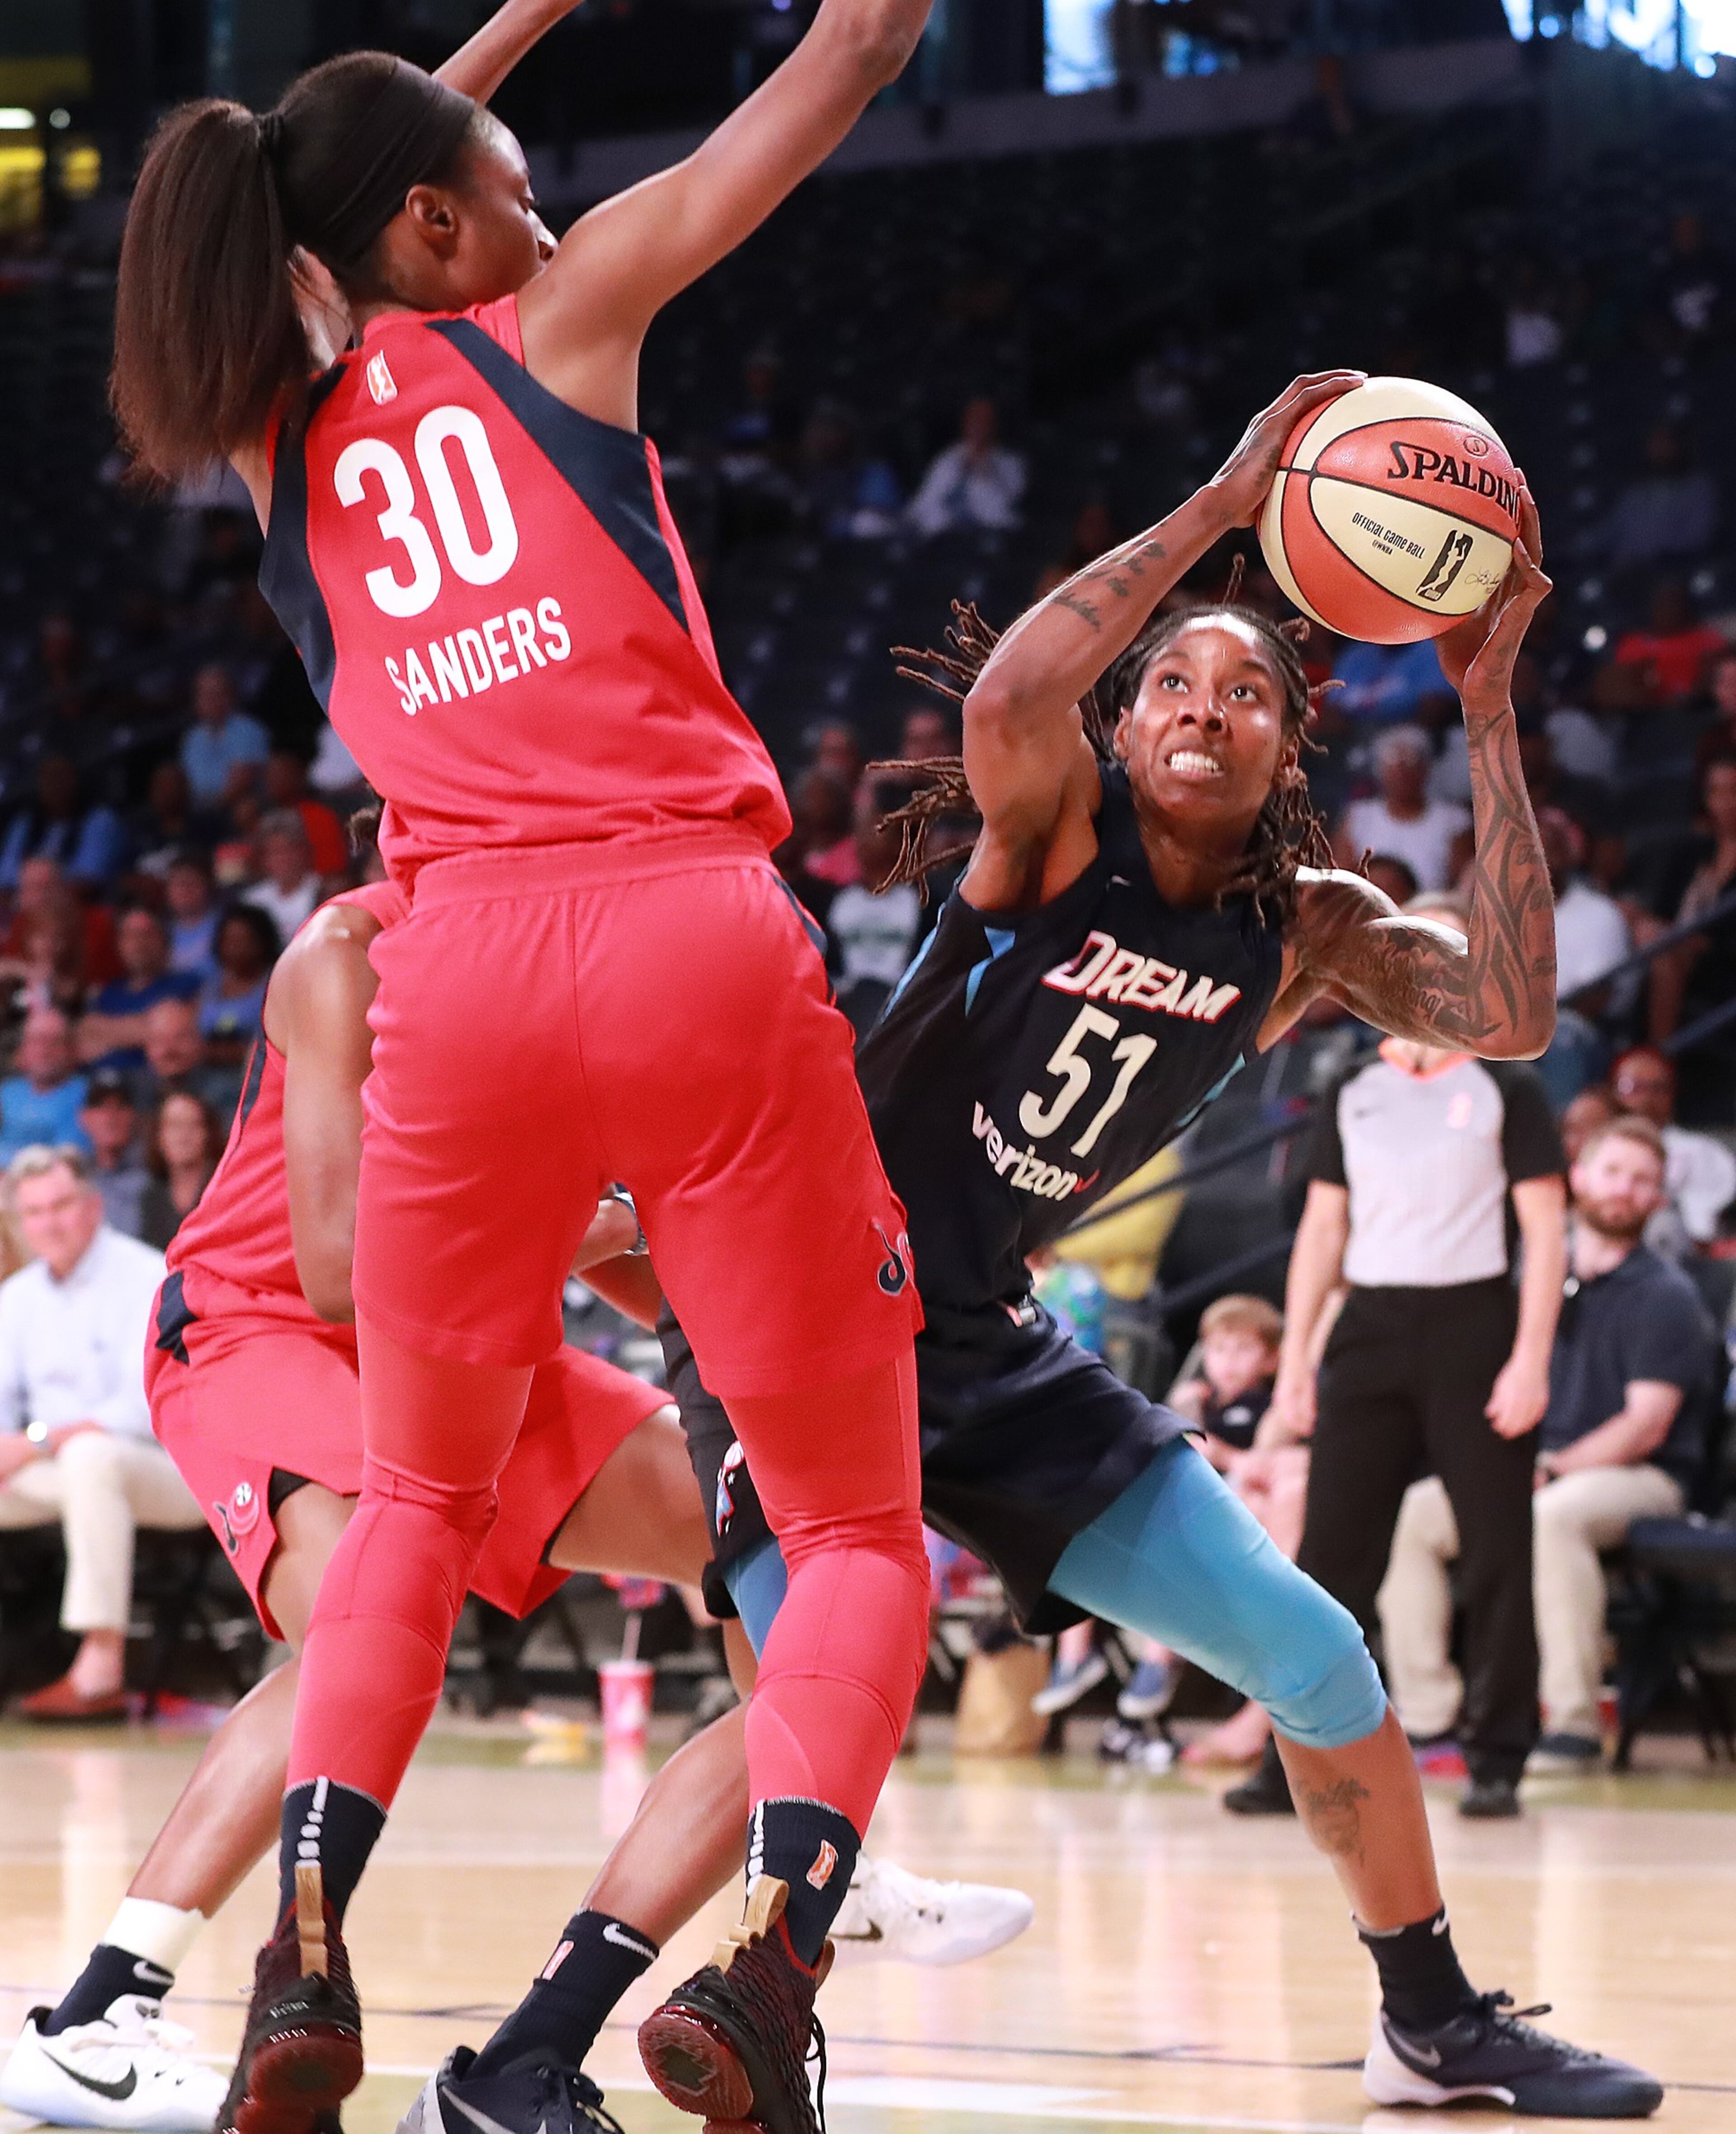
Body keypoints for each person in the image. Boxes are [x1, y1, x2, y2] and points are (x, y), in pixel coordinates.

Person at [453, 380, 1658, 2123]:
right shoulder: (1060, 829)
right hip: (799, 1297)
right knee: (814, 1705)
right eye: (1174, 677)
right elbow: (1015, 691)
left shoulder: (1306, 929)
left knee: (1318, 1657)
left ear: (1287, 746)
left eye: (1248, 689)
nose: (1202, 705)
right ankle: (527, 2058)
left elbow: (1515, 1008)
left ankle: (1432, 2019)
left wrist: (1486, 708)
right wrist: (1228, 500)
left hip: (989, 1341)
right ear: (1132, 716)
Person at [112, 1, 947, 2128]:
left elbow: (315, 204)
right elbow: (849, 55)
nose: (548, 206)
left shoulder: (272, 436)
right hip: (686, 931)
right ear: (435, 221)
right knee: (852, 1531)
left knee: (414, 1494)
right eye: (510, 180)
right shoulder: (564, 319)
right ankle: (770, 1969)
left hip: (456, 974)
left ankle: (308, 1941)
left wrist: (485, 59)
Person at [0, 865, 1029, 2134]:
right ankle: (104, 2003)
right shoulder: (341, 952)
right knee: (363, 1614)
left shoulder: (600, 952)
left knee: (757, 1536)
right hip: (271, 1322)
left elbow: (662, 1256)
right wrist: (596, 1221)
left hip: (480, 1315)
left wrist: (789, 1340)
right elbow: (334, 1265)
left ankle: (803, 1859)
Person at [1241, 890, 1567, 1820]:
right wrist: (1297, 1357)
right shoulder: (1353, 1085)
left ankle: (1499, 1751)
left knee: (1499, 1549)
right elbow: (1322, 1231)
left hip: (1476, 1325)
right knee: (1329, 1555)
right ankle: (1294, 1762)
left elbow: (1546, 1233)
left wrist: (1532, 1357)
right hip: (1371, 1326)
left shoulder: (1510, 1082)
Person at [1379, 1116, 1717, 1773]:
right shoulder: (1526, 1279)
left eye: (1643, 1180)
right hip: (1532, 1467)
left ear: (1658, 1199)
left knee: (1553, 1517)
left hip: (1641, 1476)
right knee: (1418, 1509)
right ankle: (1431, 1719)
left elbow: (1645, 1425)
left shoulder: (1667, 1295)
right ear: (1580, 1177)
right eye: (1614, 1171)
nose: (1625, 1189)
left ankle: (1573, 1723)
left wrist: (1553, 1467)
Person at [0, 1147, 203, 1720]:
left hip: (165, 1471)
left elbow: (145, 1411)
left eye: (62, 1204)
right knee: (82, 1462)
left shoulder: (146, 1275)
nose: (50, 1222)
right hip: (64, 1477)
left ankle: (100, 1666)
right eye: (35, 1211)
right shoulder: (17, 1298)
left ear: (93, 1205)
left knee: (93, 1455)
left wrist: (37, 1441)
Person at [1610, 1045, 1736, 1251]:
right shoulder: (1594, 1147)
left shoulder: (1699, 1152)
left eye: (1658, 1088)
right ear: (1612, 1090)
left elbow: (1707, 1236)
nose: (1647, 1098)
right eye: (1634, 1086)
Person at [1335, 725, 1468, 892]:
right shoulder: (1359, 817)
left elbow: (1465, 885)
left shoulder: (1453, 820)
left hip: (1430, 910)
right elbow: (1341, 877)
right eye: (1393, 762)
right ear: (1380, 770)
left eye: (1411, 761)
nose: (1402, 771)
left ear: (1426, 768)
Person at [78, 908, 204, 1073]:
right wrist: (143, 1027)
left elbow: (177, 1034)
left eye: (147, 934)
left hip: (155, 1080)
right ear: (119, 944)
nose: (139, 943)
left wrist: (107, 1034)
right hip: (105, 1083)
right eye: (131, 935)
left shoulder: (186, 984)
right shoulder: (108, 992)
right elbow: (84, 1033)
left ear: (165, 941)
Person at [0, 755, 130, 892]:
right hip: (25, 902)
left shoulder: (101, 819)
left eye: (60, 778)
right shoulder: (24, 824)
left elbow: (89, 877)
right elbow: (6, 876)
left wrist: (44, 892)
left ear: (75, 780)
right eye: (48, 779)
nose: (55, 785)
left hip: (80, 904)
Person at [906, 396, 1026, 536]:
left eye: (983, 420)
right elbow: (925, 500)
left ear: (994, 425)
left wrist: (982, 470)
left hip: (990, 534)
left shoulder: (1011, 462)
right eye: (973, 420)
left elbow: (1003, 509)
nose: (977, 426)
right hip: (945, 536)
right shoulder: (949, 458)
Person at [0, 1009, 91, 1162]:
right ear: (23, 1049)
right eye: (37, 1041)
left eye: (55, 1041)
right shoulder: (7, 1092)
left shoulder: (86, 1095)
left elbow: (68, 1158)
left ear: (70, 1049)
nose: (45, 1051)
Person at [199, 904, 282, 1066]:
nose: (235, 948)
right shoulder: (210, 986)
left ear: (263, 942)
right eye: (229, 940)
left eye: (243, 940)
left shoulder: (277, 986)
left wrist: (216, 1052)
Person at [139, 1091, 223, 1249]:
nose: (184, 1135)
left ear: (209, 1133)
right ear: (159, 1136)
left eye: (194, 1124)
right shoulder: (151, 1197)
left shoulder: (226, 1190)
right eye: (174, 1125)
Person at [179, 664, 270, 809]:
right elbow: (186, 784)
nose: (211, 701)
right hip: (197, 810)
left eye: (216, 693)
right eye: (205, 694)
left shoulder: (248, 729)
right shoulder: (192, 738)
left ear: (231, 696)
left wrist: (209, 811)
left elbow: (242, 783)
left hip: (237, 807)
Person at [79, 1070, 151, 1239]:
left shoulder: (156, 1169)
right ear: (84, 1118)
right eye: (100, 1107)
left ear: (134, 1116)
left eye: (120, 1107)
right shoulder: (74, 1174)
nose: (110, 1117)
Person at [242, 810, 324, 942]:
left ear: (302, 851)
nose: (281, 859)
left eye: (286, 850)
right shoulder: (253, 901)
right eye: (274, 852)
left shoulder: (322, 891)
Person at [163, 852, 222, 980]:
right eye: (178, 884)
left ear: (208, 886)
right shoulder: (161, 931)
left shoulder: (224, 925)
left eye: (192, 882)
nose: (185, 890)